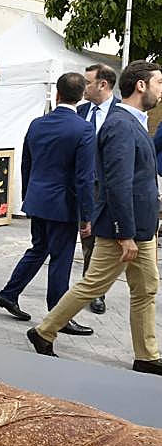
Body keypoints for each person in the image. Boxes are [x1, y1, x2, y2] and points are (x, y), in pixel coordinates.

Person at [27, 60, 162, 372]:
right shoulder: (120, 125)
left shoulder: (133, 122)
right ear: (140, 85)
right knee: (92, 286)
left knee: (145, 290)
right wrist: (124, 233)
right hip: (123, 230)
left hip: (140, 229)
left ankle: (147, 356)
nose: (160, 90)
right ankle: (44, 332)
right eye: (158, 83)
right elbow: (117, 183)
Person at [0, 73, 95, 333]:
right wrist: (86, 215)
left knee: (38, 248)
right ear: (81, 96)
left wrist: (30, 196)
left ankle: (9, 292)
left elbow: (26, 164)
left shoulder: (37, 123)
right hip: (63, 205)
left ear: (57, 94)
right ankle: (57, 317)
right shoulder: (84, 128)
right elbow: (84, 177)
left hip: (38, 200)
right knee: (60, 258)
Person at [77, 63, 119, 314]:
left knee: (96, 242)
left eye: (88, 82)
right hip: (77, 185)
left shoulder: (121, 113)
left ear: (103, 84)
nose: (84, 86)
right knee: (74, 238)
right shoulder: (79, 111)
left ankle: (94, 293)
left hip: (103, 188)